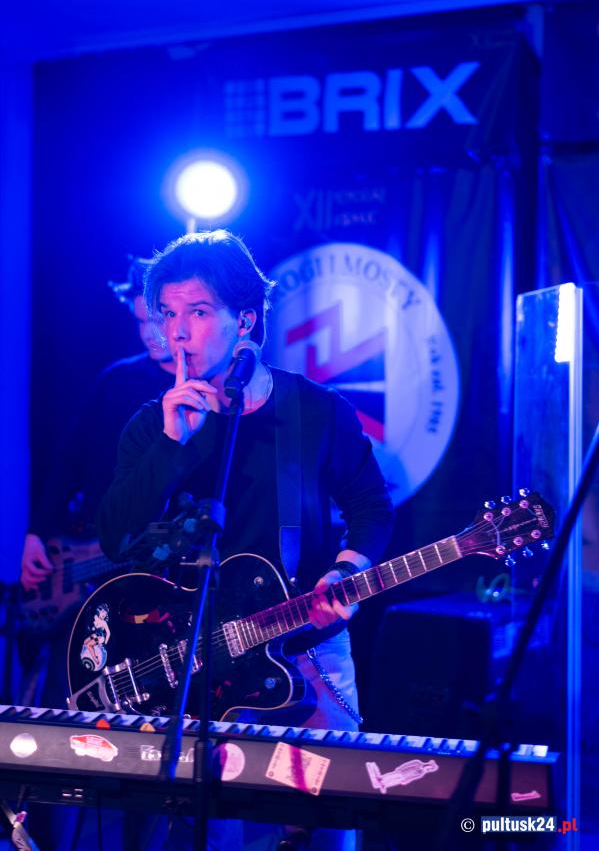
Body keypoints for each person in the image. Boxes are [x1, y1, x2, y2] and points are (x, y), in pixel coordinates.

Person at [97, 230, 395, 850]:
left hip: (305, 648)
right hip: (196, 661)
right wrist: (171, 447)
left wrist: (345, 571)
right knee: (212, 835)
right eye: (167, 315)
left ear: (246, 321)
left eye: (198, 312)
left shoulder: (315, 410)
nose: (178, 333)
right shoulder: (152, 426)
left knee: (325, 828)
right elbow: (118, 539)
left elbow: (371, 506)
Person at [20, 257, 176, 602]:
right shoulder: (116, 380)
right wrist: (37, 533)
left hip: (163, 574)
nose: (147, 334)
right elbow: (70, 461)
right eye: (140, 321)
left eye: (156, 321)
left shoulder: (203, 389)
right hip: (92, 553)